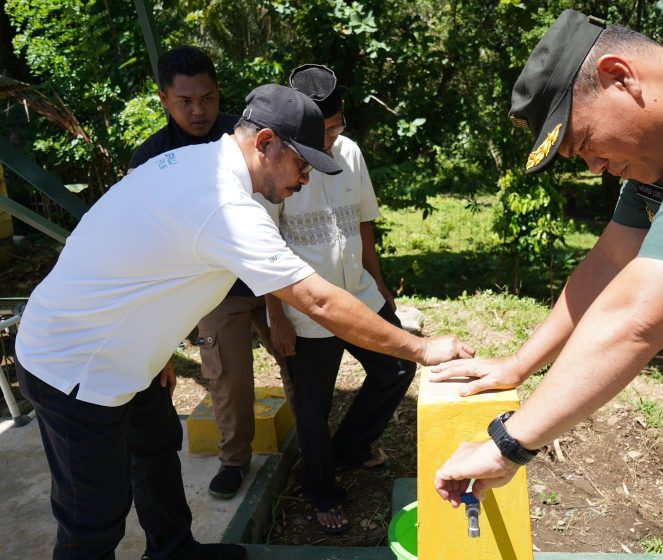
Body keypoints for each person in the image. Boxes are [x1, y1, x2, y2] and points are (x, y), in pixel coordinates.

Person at [15, 83, 473, 560]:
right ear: (266, 142)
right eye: (302, 165)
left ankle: (175, 551)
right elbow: (317, 301)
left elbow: (132, 256)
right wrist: (421, 349)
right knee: (94, 519)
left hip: (122, 354)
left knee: (155, 450)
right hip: (72, 366)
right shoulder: (224, 205)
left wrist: (153, 354)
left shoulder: (193, 164)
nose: (305, 180)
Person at [430, 9, 663, 559]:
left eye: (585, 143)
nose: (597, 166)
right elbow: (610, 262)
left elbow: (639, 315)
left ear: (619, 75)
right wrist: (518, 366)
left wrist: (510, 443)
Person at [128, 45, 293, 502]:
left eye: (208, 98)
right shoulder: (151, 161)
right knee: (226, 376)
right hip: (213, 292)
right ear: (163, 99)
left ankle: (313, 446)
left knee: (299, 361)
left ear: (220, 93)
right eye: (186, 102)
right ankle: (234, 460)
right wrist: (159, 339)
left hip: (271, 274)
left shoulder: (246, 143)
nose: (199, 111)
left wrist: (278, 308)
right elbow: (150, 251)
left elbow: (274, 224)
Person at [262, 64, 415, 534]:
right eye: (323, 131)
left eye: (337, 126)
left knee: (397, 368)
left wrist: (382, 289)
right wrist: (277, 318)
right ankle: (321, 490)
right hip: (306, 309)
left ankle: (349, 447)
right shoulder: (276, 164)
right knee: (312, 406)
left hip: (360, 294)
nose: (332, 137)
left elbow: (363, 225)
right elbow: (262, 246)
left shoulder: (350, 152)